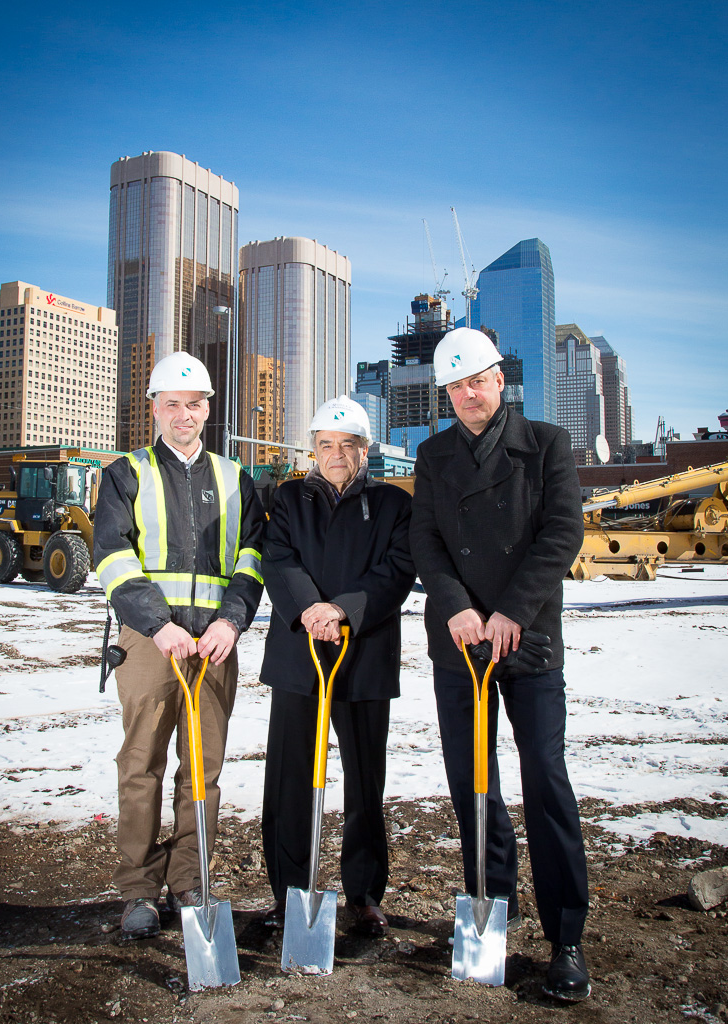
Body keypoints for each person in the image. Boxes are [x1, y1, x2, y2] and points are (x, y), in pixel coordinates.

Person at [409, 327, 591, 1001]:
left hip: (530, 639)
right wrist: (456, 606)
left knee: (545, 779)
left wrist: (512, 610)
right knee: (473, 784)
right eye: (454, 387)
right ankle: (491, 911)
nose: (466, 395)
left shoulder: (546, 445)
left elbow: (562, 531)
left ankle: (566, 936)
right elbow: (423, 537)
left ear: (500, 379)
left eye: (476, 381)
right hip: (459, 645)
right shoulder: (433, 454)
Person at [94, 351, 265, 940]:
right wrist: (156, 623)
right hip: (151, 643)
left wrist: (232, 622)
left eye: (195, 406)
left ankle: (191, 880)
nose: (184, 416)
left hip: (216, 643)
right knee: (140, 764)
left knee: (203, 771)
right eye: (173, 405)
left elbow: (252, 557)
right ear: (155, 409)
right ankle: (139, 890)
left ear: (208, 410)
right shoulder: (125, 474)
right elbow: (112, 557)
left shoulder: (235, 477)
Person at [259, 396, 415, 935]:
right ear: (313, 449)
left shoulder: (393, 505)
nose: (336, 455)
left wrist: (343, 610)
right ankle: (289, 889)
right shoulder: (286, 500)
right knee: (289, 778)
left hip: (363, 656)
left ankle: (365, 893)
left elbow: (396, 571)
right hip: (300, 656)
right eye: (326, 445)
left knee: (365, 781)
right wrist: (310, 610)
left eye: (348, 445)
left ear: (365, 450)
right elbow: (276, 559)